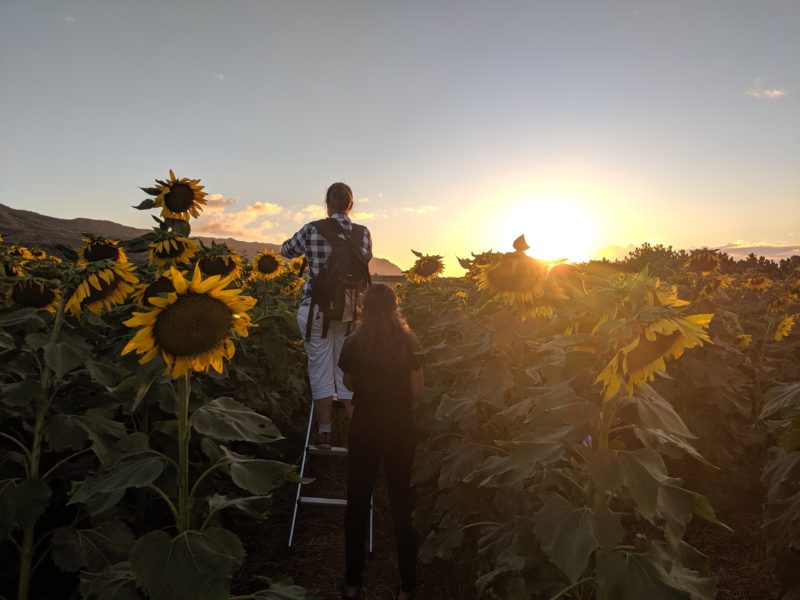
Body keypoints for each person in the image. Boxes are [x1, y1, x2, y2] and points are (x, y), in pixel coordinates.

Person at [338, 283, 424, 600]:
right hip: (400, 426)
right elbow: (418, 388)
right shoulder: (408, 341)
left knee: (357, 503)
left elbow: (348, 382)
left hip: (365, 426)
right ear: (395, 306)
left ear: (363, 307)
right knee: (403, 505)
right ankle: (408, 586)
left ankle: (351, 582)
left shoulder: (354, 343)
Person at [281, 182, 372, 449]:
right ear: (350, 205)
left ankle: (325, 433)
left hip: (315, 311)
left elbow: (287, 250)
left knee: (319, 370)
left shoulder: (312, 228)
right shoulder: (363, 233)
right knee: (348, 369)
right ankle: (358, 433)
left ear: (327, 203)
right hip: (349, 310)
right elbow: (365, 261)